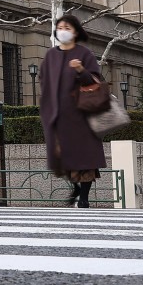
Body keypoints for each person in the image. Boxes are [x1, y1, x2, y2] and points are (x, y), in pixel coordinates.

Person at [39, 14, 106, 208]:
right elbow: (44, 82)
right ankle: (76, 186)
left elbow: (94, 81)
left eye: (67, 28)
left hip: (81, 116)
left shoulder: (84, 54)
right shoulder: (51, 55)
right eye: (60, 27)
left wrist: (80, 70)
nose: (63, 31)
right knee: (59, 157)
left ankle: (83, 197)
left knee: (85, 158)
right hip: (57, 116)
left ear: (75, 32)